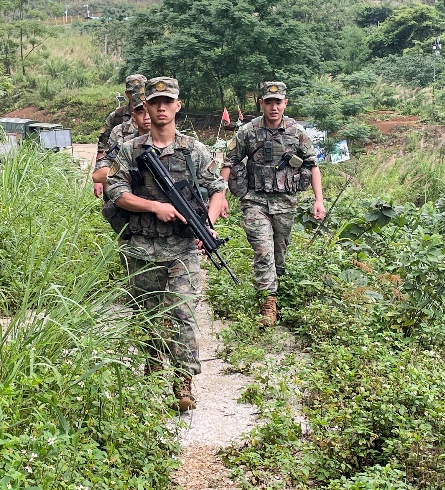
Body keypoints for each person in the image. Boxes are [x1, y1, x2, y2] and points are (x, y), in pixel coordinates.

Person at [105, 77, 227, 412]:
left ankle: (183, 381)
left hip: (182, 248)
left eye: (167, 101)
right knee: (146, 314)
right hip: (141, 246)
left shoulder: (193, 149)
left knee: (183, 311)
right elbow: (115, 191)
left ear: (177, 105)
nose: (160, 108)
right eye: (154, 102)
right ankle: (152, 366)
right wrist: (155, 207)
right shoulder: (131, 149)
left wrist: (209, 224)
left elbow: (218, 188)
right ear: (145, 107)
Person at [221, 81, 325, 327]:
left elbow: (313, 166)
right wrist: (222, 195)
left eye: (278, 102)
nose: (273, 107)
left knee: (279, 252)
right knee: (263, 249)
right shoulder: (247, 131)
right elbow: (229, 161)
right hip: (254, 201)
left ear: (285, 103)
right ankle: (268, 302)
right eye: (269, 102)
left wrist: (319, 200)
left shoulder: (296, 132)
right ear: (262, 104)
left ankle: (278, 286)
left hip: (285, 203)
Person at [94, 74, 146, 197]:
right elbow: (102, 149)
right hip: (117, 171)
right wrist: (98, 181)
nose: (138, 94)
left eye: (142, 90)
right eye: (134, 91)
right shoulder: (117, 116)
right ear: (127, 93)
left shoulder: (155, 116)